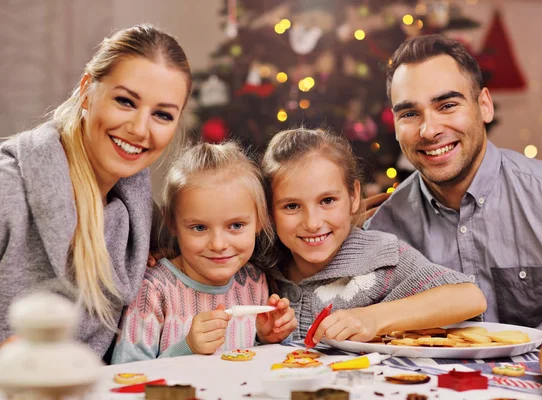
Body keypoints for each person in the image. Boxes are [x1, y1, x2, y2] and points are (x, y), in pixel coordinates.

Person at [365, 34, 542, 356]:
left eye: (447, 105)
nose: (429, 130)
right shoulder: (385, 229)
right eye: (409, 113)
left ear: (484, 105)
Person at [0, 24, 192, 360]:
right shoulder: (8, 189)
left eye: (162, 114)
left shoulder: (144, 222)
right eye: (125, 101)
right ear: (87, 90)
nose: (139, 129)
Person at [261, 127, 486, 343]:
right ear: (269, 211)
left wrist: (374, 318)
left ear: (354, 196)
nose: (312, 223)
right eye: (291, 206)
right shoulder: (261, 268)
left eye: (327, 201)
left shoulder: (382, 257)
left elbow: (469, 297)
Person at [111, 142, 297, 364]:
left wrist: (269, 339)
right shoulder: (153, 290)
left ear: (260, 220)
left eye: (236, 226)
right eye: (199, 228)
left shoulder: (254, 281)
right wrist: (186, 348)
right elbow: (126, 374)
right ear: (172, 222)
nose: (218, 244)